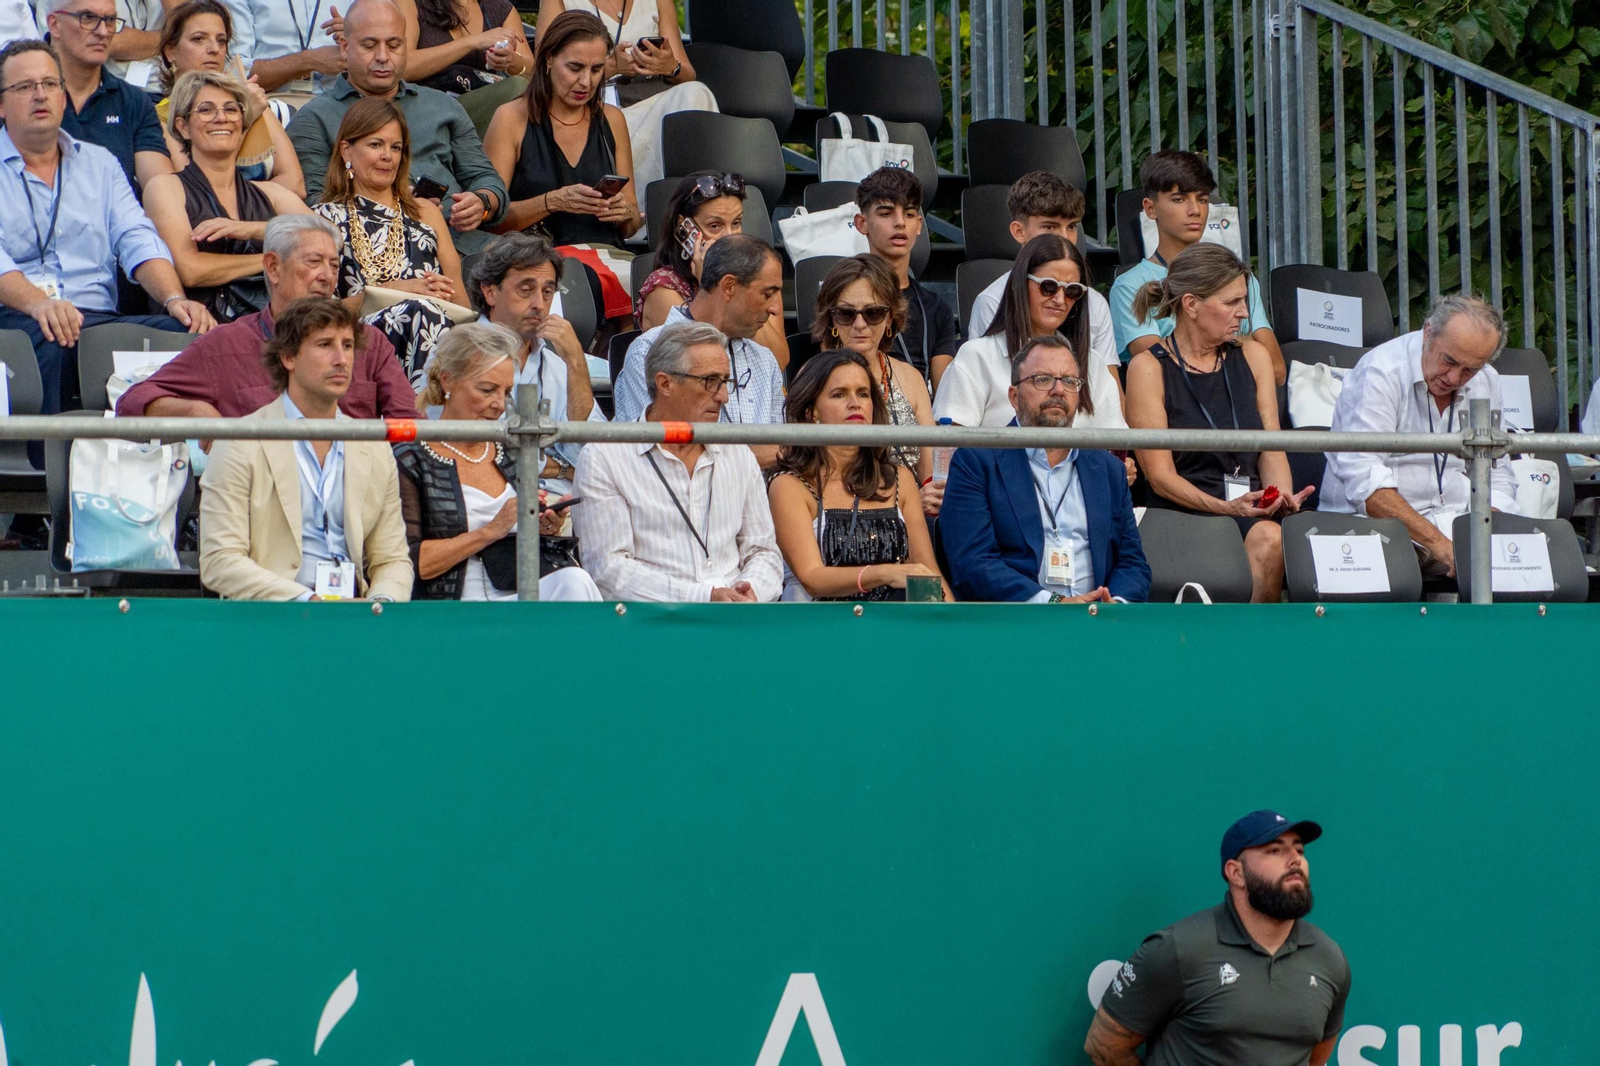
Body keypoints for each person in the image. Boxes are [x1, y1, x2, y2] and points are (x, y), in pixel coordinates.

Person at [0, 39, 213, 423]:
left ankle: (167, 457)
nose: (40, 95)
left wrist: (173, 299)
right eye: (24, 86)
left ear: (63, 96)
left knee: (186, 332)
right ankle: (47, 458)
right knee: (51, 336)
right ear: (1, 104)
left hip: (95, 319)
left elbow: (136, 237)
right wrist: (38, 304)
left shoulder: (100, 164)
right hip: (16, 319)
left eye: (50, 84)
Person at [1084, 810, 1349, 1066]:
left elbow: (1315, 1059)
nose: (1295, 860)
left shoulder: (1329, 959)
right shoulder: (1177, 949)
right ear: (1236, 873)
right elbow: (1104, 1046)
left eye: (1299, 850)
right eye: (1274, 850)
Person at [1125, 244, 1310, 603]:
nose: (1244, 313)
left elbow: (1271, 448)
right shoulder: (1147, 368)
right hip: (1181, 512)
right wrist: (1227, 509)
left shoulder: (1254, 355)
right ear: (1191, 304)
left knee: (1271, 537)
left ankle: (1251, 638)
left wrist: (1279, 496)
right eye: (1232, 302)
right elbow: (1160, 477)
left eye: (1244, 300)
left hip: (1249, 507)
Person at [198, 296, 414, 601]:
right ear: (288, 357)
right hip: (275, 613)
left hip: (356, 613)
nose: (342, 359)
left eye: (348, 346)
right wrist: (307, 602)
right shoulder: (239, 441)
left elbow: (392, 560)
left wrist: (380, 605)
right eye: (325, 345)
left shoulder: (373, 447)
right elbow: (219, 561)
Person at [116, 214, 416, 420]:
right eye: (314, 262)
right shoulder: (225, 345)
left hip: (356, 486)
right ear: (273, 267)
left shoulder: (368, 342)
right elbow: (131, 401)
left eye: (334, 265)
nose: (327, 276)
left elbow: (409, 426)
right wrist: (194, 412)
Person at [573, 319, 783, 602]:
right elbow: (608, 570)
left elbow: (763, 551)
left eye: (725, 382)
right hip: (654, 620)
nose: (723, 397)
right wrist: (703, 597)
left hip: (738, 615)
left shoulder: (738, 454)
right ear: (665, 383)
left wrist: (752, 591)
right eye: (710, 382)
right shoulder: (604, 458)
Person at [395, 321, 602, 600]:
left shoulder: (509, 452)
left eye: (506, 393)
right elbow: (407, 562)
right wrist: (491, 530)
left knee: (575, 580)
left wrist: (542, 527)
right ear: (447, 380)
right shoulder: (411, 458)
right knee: (573, 583)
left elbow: (519, 539)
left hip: (517, 594)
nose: (499, 405)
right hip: (452, 605)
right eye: (486, 390)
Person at [1319, 294, 1520, 577]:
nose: (1453, 378)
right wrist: (1441, 546)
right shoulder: (1381, 371)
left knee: (1530, 568)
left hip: (1457, 526)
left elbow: (1497, 475)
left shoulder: (1487, 379)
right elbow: (1364, 479)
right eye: (1449, 361)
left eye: (1469, 370)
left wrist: (1488, 534)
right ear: (1428, 332)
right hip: (1374, 529)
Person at [940, 336, 1150, 604]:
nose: (1058, 390)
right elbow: (972, 565)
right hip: (1021, 620)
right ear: (1014, 397)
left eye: (1070, 381)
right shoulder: (976, 462)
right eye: (1043, 379)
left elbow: (1133, 563)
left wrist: (1115, 605)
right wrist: (1053, 603)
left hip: (1098, 620)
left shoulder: (1108, 470)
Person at [287, 0, 509, 252]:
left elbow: (486, 179)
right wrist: (386, 207)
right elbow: (313, 205)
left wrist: (481, 202)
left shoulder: (442, 106)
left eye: (394, 46)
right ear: (345, 48)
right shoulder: (314, 118)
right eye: (369, 46)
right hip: (370, 250)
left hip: (461, 240)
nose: (383, 57)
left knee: (529, 261)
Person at [767, 349, 946, 602]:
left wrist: (955, 619)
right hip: (820, 619)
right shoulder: (789, 484)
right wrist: (884, 573)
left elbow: (928, 572)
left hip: (893, 619)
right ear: (810, 411)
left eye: (863, 393)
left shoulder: (899, 478)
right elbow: (812, 578)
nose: (855, 403)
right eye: (839, 394)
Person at [315, 95, 467, 382]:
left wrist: (437, 296)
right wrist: (393, 293)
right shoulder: (322, 220)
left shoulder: (426, 212)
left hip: (440, 334)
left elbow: (462, 305)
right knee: (419, 310)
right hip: (357, 342)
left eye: (395, 147)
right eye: (376, 145)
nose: (388, 156)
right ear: (346, 151)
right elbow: (315, 314)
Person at [143, 70, 314, 324]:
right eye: (206, 110)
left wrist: (250, 230)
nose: (221, 118)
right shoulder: (166, 187)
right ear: (183, 127)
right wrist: (275, 260)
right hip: (203, 325)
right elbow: (190, 270)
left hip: (274, 322)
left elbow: (329, 237)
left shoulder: (269, 192)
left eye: (231, 109)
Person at [1110, 149, 1285, 384]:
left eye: (1202, 199)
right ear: (1150, 208)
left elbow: (1276, 371)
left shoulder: (1238, 278)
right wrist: (1244, 345)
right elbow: (1163, 371)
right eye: (1179, 199)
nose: (1195, 210)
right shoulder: (1130, 286)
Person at [935, 233, 1130, 444]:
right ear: (1019, 284)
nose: (1060, 299)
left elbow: (1115, 445)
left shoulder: (1094, 364)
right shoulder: (977, 356)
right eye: (1048, 287)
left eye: (1072, 291)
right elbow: (949, 449)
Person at [613, 234, 783, 465]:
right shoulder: (648, 351)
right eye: (767, 294)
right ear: (729, 286)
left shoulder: (764, 359)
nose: (775, 309)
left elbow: (781, 453)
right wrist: (765, 455)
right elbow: (661, 452)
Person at [457, 232, 605, 495]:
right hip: (485, 499)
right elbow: (476, 450)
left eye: (547, 292)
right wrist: (560, 468)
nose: (539, 304)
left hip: (563, 503)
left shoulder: (560, 365)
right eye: (526, 290)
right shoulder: (457, 353)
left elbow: (596, 454)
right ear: (490, 292)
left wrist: (575, 360)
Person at [484, 10, 641, 250]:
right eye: (575, 68)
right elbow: (490, 219)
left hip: (605, 257)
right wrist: (551, 202)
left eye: (596, 69)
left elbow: (630, 226)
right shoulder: (511, 118)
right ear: (548, 59)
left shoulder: (612, 118)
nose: (586, 82)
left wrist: (626, 213)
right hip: (536, 259)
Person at [536, 0, 716, 194]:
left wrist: (670, 66)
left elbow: (687, 73)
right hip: (595, 108)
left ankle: (702, 195)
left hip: (652, 99)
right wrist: (608, 67)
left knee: (696, 92)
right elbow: (543, 73)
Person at [810, 254, 938, 509]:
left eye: (873, 313)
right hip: (839, 511)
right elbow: (807, 465)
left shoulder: (910, 378)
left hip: (912, 513)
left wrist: (926, 497)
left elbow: (929, 470)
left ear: (890, 318)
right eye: (846, 314)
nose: (860, 324)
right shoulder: (813, 377)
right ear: (832, 319)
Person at [154, 0, 304, 196]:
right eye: (199, 39)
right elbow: (196, 191)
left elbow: (295, 184)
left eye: (221, 40)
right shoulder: (160, 118)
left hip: (265, 214)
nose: (214, 49)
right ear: (170, 51)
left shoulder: (251, 99)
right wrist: (245, 119)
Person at [636, 169, 787, 364]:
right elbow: (697, 362)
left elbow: (777, 361)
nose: (729, 236)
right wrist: (710, 286)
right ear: (684, 228)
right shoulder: (662, 288)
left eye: (736, 223)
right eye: (715, 226)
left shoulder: (762, 281)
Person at [46, 0, 172, 191]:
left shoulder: (133, 102)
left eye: (110, 20)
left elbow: (160, 184)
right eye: (88, 17)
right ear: (55, 24)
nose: (103, 31)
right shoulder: (19, 91)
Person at [853, 165, 958, 391]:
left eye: (909, 214)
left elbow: (944, 393)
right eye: (886, 213)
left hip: (923, 409)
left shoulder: (936, 308)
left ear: (919, 225)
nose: (900, 222)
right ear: (862, 223)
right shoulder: (845, 298)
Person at [966, 170, 1103, 342]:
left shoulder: (1095, 302)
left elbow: (1104, 361)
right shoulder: (992, 301)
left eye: (1072, 227)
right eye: (1050, 227)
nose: (1064, 238)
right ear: (1019, 231)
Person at [396, 0, 529, 95]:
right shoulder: (411, 3)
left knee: (519, 90)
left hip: (482, 100)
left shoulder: (501, 8)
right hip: (430, 102)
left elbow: (532, 73)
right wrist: (471, 42)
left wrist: (511, 61)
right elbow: (401, 68)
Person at [218, 0, 345, 94]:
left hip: (340, 101)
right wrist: (308, 60)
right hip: (269, 103)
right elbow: (235, 73)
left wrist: (352, 41)